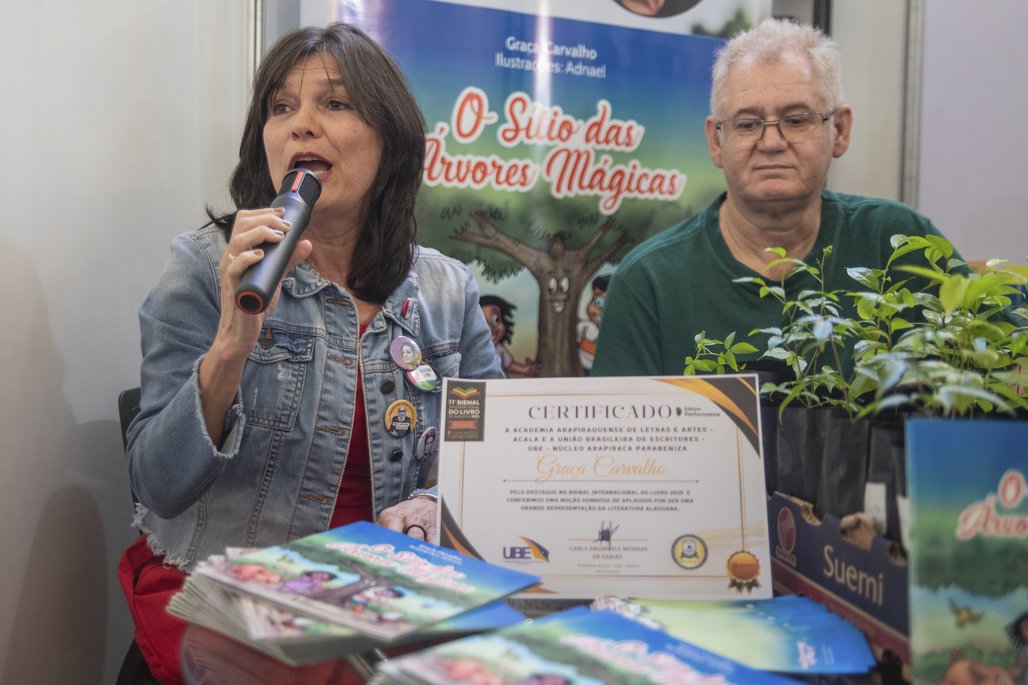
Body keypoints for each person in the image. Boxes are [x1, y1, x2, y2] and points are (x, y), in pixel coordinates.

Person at [118, 22, 503, 684]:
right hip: (238, 589)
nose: (300, 126)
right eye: (280, 107)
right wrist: (232, 345)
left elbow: (498, 458)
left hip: (397, 593)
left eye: (335, 102)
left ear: (390, 138)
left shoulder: (446, 287)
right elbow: (159, 483)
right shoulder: (205, 267)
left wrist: (437, 501)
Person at [592, 18, 965, 377]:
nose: (771, 143)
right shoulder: (649, 282)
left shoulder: (900, 244)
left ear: (839, 130)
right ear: (715, 141)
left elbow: (1012, 359)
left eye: (797, 119)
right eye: (748, 124)